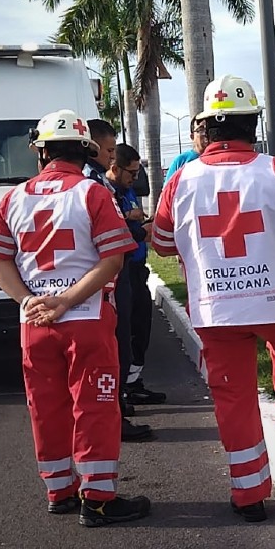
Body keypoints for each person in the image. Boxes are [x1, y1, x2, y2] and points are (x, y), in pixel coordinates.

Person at [151, 74, 275, 523]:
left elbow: (163, 244)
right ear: (253, 124)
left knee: (234, 395)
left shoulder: (180, 179)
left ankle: (248, 494)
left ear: (206, 128)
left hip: (215, 307)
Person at [0, 108, 151, 528]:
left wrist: (28, 300)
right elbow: (113, 259)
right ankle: (98, 499)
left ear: (41, 153)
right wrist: (66, 300)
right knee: (95, 406)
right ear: (86, 152)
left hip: (35, 325)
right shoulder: (93, 194)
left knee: (46, 406)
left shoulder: (13, 198)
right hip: (87, 321)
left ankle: (59, 490)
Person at [84, 118, 154, 442]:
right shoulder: (91, 184)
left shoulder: (98, 181)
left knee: (123, 342)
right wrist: (139, 231)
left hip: (121, 272)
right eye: (109, 150)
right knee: (115, 346)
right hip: (109, 275)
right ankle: (114, 415)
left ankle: (118, 407)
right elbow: (109, 230)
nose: (112, 157)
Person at [110, 143, 167, 407]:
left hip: (137, 266)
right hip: (120, 270)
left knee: (141, 328)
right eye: (131, 173)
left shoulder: (128, 190)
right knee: (125, 332)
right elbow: (106, 226)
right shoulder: (104, 191)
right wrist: (130, 220)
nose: (135, 178)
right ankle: (121, 389)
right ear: (115, 168)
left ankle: (133, 382)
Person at [163, 116, 206, 187]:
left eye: (208, 129)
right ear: (192, 136)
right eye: (201, 130)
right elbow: (168, 189)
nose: (205, 134)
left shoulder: (220, 159)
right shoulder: (181, 161)